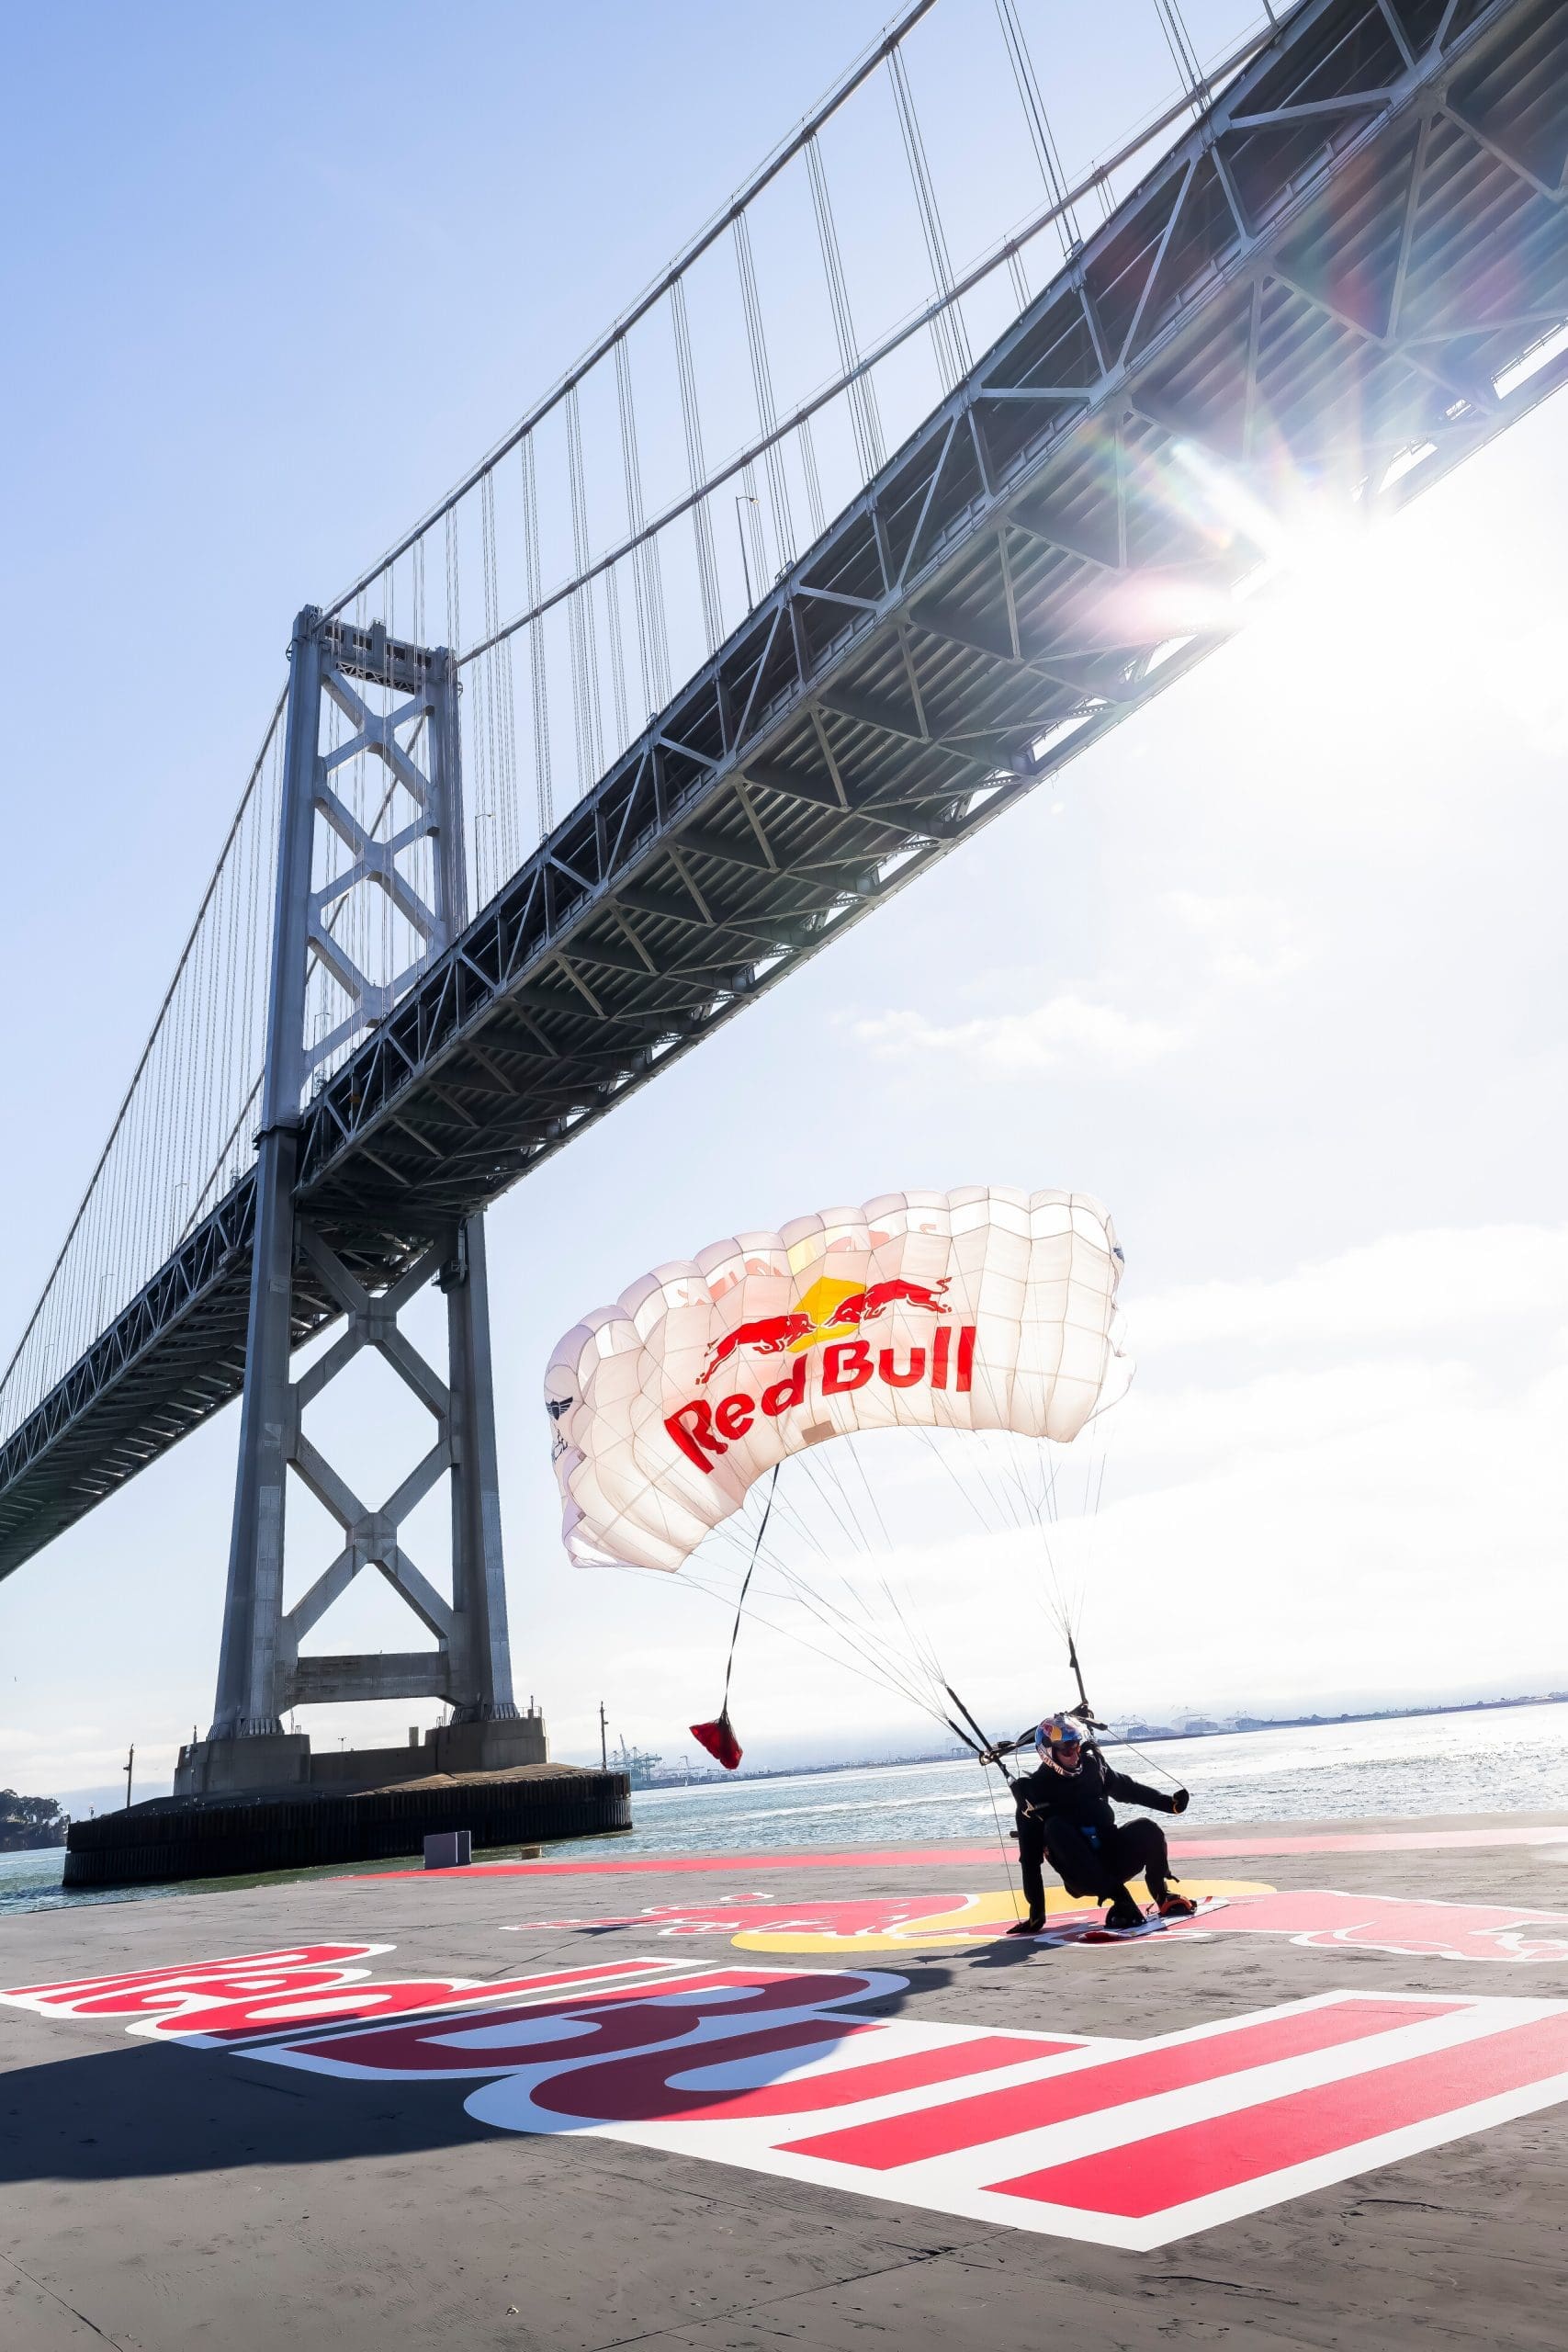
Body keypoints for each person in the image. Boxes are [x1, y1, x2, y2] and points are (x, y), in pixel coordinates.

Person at [988, 1712, 1194, 1935]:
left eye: (1076, 1746)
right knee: (1056, 1827)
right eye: (1067, 1749)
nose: (1075, 1754)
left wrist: (1170, 1804)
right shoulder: (1032, 1793)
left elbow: (1128, 1789)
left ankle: (1162, 1896)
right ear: (1048, 1751)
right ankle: (1120, 1898)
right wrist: (1036, 1915)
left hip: (1111, 1856)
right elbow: (1030, 1860)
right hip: (1081, 1875)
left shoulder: (1091, 1767)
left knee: (1147, 1828)